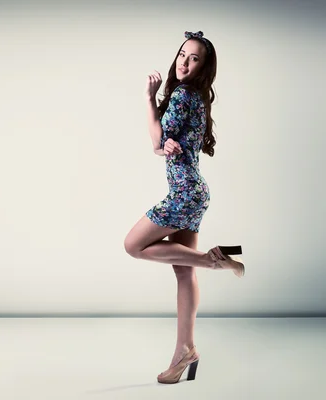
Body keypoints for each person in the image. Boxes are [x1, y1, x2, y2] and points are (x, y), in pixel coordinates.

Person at [123, 31, 245, 384]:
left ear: (204, 67)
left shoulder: (180, 94)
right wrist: (163, 145)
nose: (184, 62)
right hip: (195, 191)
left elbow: (158, 139)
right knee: (181, 271)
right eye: (182, 54)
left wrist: (148, 99)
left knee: (133, 246)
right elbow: (164, 145)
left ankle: (212, 259)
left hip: (183, 195)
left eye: (194, 58)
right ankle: (185, 350)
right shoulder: (194, 98)